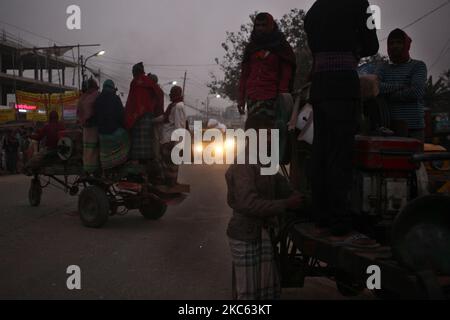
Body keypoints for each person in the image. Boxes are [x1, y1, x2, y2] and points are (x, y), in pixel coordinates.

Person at [305, 0, 380, 245]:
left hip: (320, 86)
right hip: (342, 85)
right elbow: (372, 44)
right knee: (341, 154)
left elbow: (314, 46)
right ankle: (340, 224)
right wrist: (355, 47)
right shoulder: (359, 3)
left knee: (321, 151)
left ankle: (321, 219)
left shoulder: (314, 10)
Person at [226, 113, 302, 300]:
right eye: (266, 134)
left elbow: (282, 185)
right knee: (249, 295)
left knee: (268, 292)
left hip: (261, 234)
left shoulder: (264, 160)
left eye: (271, 134)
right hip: (246, 235)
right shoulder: (244, 163)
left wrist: (298, 196)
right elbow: (248, 203)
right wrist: (286, 204)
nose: (270, 139)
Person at [237, 12, 297, 163]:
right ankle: (255, 172)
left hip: (272, 99)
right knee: (253, 138)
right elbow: (244, 75)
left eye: (264, 25)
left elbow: (286, 73)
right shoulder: (251, 47)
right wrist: (240, 98)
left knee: (269, 142)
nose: (261, 28)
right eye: (258, 25)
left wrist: (282, 95)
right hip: (252, 98)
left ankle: (268, 177)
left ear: (271, 26)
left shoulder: (281, 47)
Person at [376, 28, 427, 142]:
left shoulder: (418, 66)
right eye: (392, 43)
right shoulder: (383, 67)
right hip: (389, 129)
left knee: (415, 159)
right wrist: (401, 86)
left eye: (399, 42)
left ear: (406, 45)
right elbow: (377, 87)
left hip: (414, 129)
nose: (395, 46)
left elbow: (416, 92)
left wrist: (388, 95)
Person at [124, 62, 163, 180]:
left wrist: (128, 115)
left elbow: (131, 101)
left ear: (135, 72)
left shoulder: (134, 82)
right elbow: (160, 94)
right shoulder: (149, 82)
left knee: (136, 141)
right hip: (148, 117)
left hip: (137, 117)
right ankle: (148, 163)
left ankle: (137, 165)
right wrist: (153, 106)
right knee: (147, 141)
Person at [91, 79, 129, 170]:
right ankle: (121, 160)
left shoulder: (98, 100)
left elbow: (95, 117)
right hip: (114, 133)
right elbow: (121, 116)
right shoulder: (116, 99)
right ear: (112, 88)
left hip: (101, 135)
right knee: (127, 136)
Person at [160, 85, 186, 187]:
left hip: (171, 140)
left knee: (171, 164)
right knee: (169, 164)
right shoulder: (174, 106)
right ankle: (170, 183)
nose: (170, 94)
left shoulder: (177, 107)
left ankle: (171, 184)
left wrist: (175, 143)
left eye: (171, 93)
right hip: (168, 139)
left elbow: (178, 126)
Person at [77, 78, 100, 174]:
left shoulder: (82, 98)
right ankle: (94, 168)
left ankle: (88, 168)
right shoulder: (97, 95)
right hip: (95, 127)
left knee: (88, 150)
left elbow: (78, 113)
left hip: (86, 129)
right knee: (95, 149)